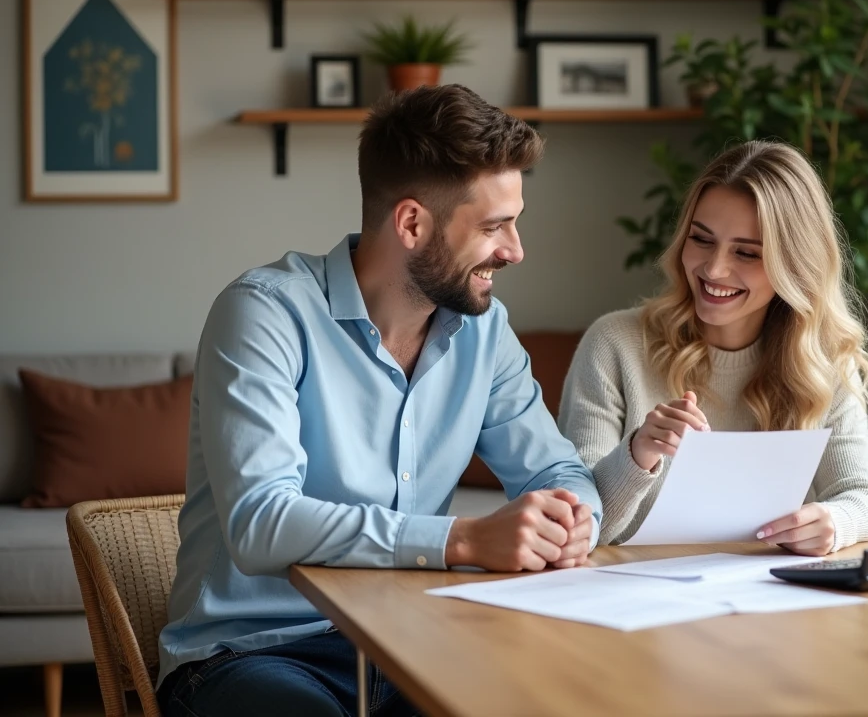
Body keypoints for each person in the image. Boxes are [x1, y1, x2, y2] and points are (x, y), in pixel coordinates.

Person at [157, 85, 602, 717]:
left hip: (415, 638)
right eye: (494, 227)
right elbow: (261, 523)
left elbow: (560, 473)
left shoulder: (484, 330)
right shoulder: (264, 313)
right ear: (412, 223)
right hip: (255, 653)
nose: (515, 250)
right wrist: (463, 541)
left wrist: (573, 521)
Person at [559, 139, 868, 552]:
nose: (714, 269)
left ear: (794, 266)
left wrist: (834, 522)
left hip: (768, 602)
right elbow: (578, 526)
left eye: (747, 253)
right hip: (635, 598)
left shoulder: (823, 365)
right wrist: (638, 453)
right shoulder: (614, 345)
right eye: (701, 240)